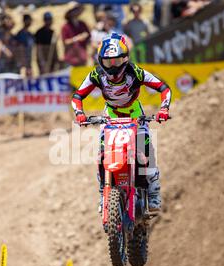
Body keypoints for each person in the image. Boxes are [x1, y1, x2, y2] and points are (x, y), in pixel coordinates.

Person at [71, 33, 172, 212]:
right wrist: (79, 114)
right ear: (101, 61)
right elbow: (78, 96)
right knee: (103, 154)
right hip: (110, 115)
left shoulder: (136, 72)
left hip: (135, 113)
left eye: (117, 61)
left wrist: (164, 109)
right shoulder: (96, 74)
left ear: (125, 59)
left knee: (146, 152)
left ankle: (154, 192)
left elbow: (163, 88)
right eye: (108, 62)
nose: (113, 67)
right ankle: (104, 192)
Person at [61, 1, 91, 67]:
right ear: (70, 13)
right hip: (71, 59)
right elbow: (65, 42)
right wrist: (77, 38)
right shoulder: (65, 26)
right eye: (74, 10)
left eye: (77, 10)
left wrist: (86, 37)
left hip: (82, 58)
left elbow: (89, 38)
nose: (76, 12)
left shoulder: (82, 24)